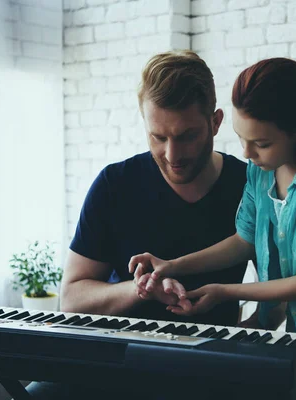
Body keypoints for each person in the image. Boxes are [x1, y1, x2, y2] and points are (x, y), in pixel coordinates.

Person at [130, 57, 296, 400]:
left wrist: (227, 291)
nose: (246, 151)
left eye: (261, 143)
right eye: (242, 138)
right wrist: (172, 264)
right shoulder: (259, 172)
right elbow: (243, 240)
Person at [24, 51, 249, 399]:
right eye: (158, 137)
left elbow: (281, 282)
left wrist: (251, 340)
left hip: (210, 371)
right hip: (111, 367)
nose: (172, 155)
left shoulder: (249, 186)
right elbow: (71, 298)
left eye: (187, 136)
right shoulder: (115, 184)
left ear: (216, 122)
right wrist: (140, 288)